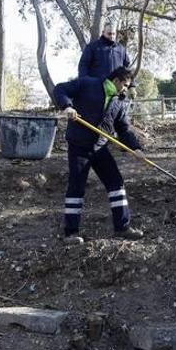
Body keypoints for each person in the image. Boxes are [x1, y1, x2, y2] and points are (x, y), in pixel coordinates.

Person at [53, 66, 144, 244]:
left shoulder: (120, 102)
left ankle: (122, 227)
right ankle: (71, 233)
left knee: (116, 182)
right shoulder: (88, 84)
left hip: (100, 147)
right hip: (79, 145)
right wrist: (67, 106)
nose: (125, 89)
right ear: (116, 80)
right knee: (76, 186)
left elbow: (123, 129)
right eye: (125, 85)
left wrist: (136, 148)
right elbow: (60, 89)